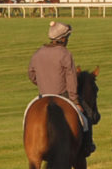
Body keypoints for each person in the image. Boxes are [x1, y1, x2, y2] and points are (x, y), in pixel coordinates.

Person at [28, 21, 95, 155]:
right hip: (63, 95)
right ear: (63, 38)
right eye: (67, 37)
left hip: (42, 95)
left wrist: (43, 83)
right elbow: (71, 80)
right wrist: (75, 101)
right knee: (86, 117)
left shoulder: (37, 53)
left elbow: (31, 75)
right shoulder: (65, 54)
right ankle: (87, 146)